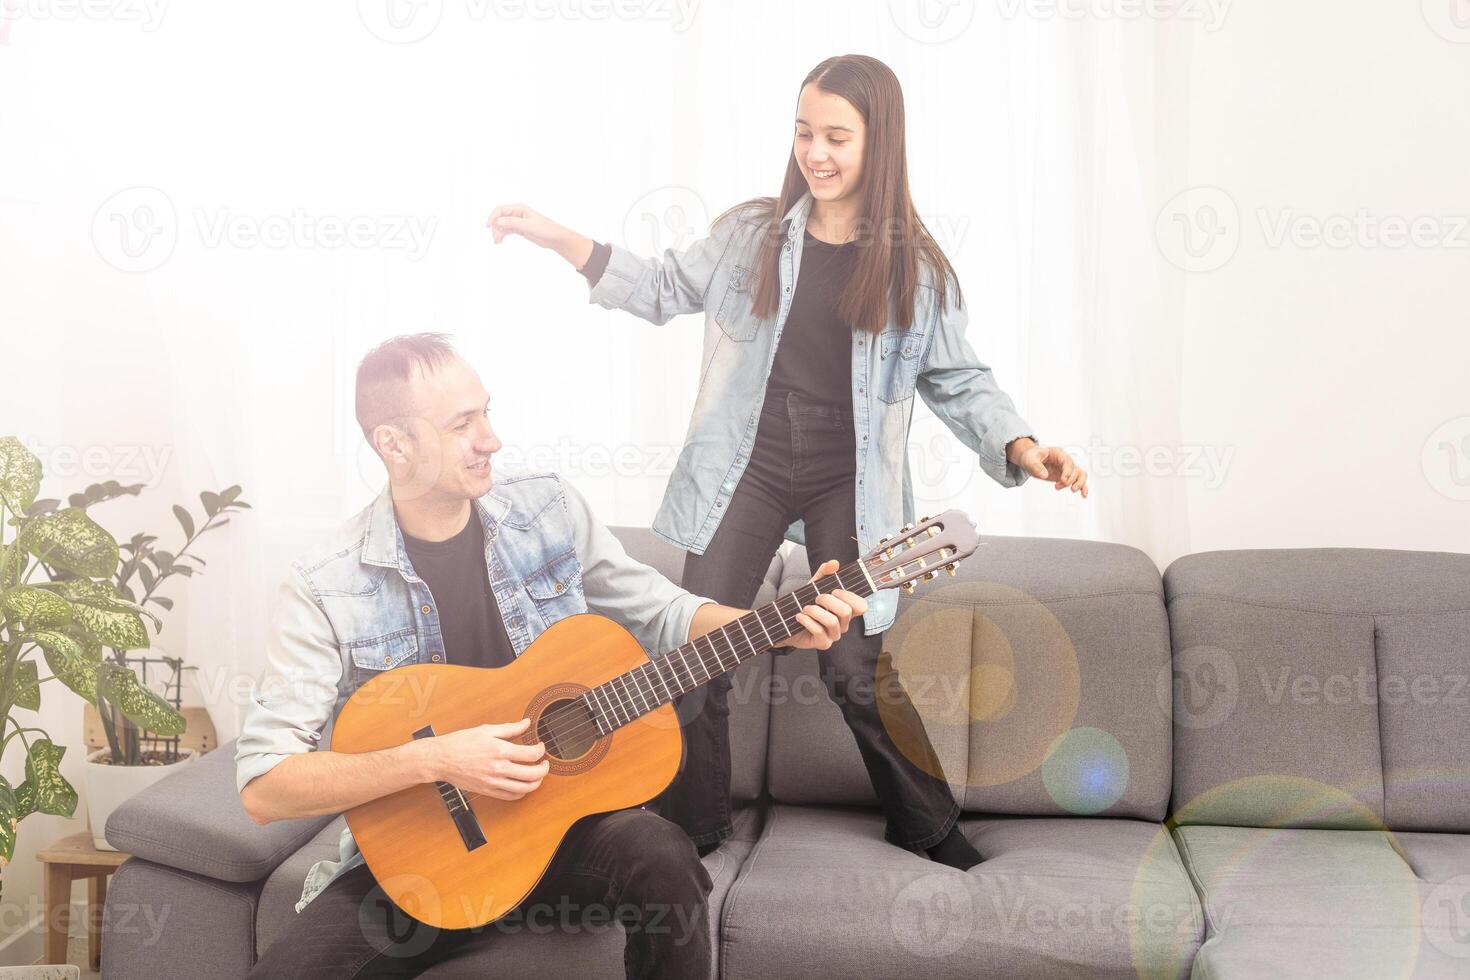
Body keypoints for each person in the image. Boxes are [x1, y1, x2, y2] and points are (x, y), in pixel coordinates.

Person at [487, 54, 1088, 871]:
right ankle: (695, 832)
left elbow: (958, 379)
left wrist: (1023, 446)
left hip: (848, 475)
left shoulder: (914, 266)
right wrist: (560, 238)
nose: (817, 152)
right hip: (751, 461)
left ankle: (926, 822)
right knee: (693, 649)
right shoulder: (752, 236)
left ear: (881, 144)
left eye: (837, 136)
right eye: (805, 132)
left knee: (852, 661)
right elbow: (661, 287)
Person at [236, 333, 866, 979]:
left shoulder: (547, 507)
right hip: (423, 863)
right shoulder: (325, 584)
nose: (491, 439)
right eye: (462, 424)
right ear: (394, 445)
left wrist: (775, 629)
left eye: (486, 412)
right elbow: (264, 788)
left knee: (657, 850)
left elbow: (661, 610)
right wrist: (432, 759)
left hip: (569, 842)